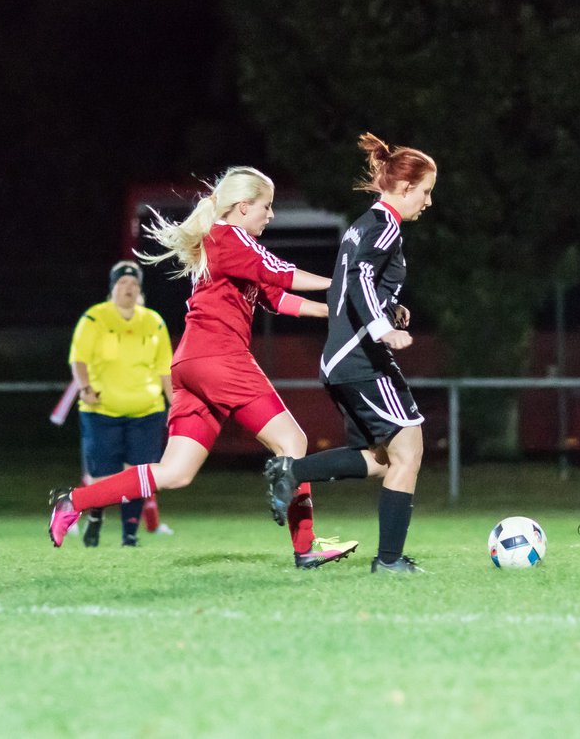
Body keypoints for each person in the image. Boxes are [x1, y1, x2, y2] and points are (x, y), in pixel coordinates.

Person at [48, 166, 359, 569]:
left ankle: (73, 502)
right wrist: (341, 283)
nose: (271, 215)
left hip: (192, 363)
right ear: (243, 207)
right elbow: (281, 273)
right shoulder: (231, 238)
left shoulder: (228, 243)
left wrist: (334, 310)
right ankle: (305, 549)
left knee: (175, 472)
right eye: (266, 206)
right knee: (293, 444)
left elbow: (275, 297)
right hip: (220, 358)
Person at [265, 132, 436, 573]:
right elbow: (359, 276)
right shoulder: (385, 226)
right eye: (426, 191)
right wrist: (381, 327)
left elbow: (351, 283)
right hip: (364, 360)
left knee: (380, 460)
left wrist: (388, 307)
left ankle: (292, 471)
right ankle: (390, 561)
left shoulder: (362, 225)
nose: (428, 201)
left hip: (340, 359)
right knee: (409, 453)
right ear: (403, 188)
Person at [70, 260, 175, 547]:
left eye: (134, 284)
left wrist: (174, 404)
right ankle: (95, 519)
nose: (128, 289)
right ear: (113, 288)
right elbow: (79, 359)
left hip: (146, 411)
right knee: (103, 476)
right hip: (102, 411)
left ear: (140, 289)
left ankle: (130, 534)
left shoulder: (153, 321)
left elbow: (165, 367)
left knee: (139, 474)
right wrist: (86, 388)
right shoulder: (94, 319)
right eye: (123, 283)